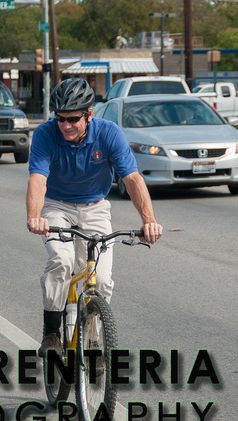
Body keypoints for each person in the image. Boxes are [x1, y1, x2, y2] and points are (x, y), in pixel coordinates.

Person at [26, 78, 163, 356]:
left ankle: (91, 340)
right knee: (61, 261)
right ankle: (52, 332)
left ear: (89, 115)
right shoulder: (44, 134)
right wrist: (34, 216)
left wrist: (148, 220)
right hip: (57, 206)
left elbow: (132, 179)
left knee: (99, 279)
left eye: (73, 119)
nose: (65, 125)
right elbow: (38, 179)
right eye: (60, 118)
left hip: (95, 207)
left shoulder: (109, 133)